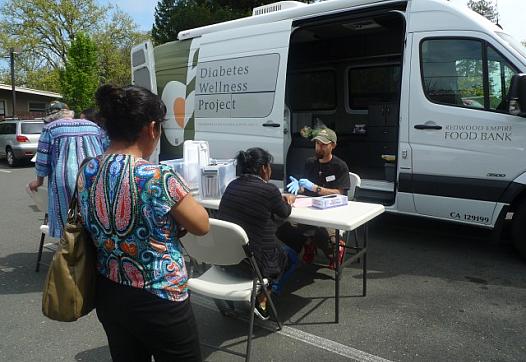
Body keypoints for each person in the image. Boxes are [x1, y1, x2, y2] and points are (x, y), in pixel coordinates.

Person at [77, 84, 209, 362]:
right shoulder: (158, 176)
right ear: (151, 128)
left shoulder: (87, 169)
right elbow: (201, 225)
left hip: (108, 289)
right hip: (159, 294)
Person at [218, 147, 297, 320]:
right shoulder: (269, 190)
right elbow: (284, 213)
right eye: (269, 167)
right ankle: (263, 297)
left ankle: (260, 292)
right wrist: (289, 200)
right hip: (255, 263)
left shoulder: (232, 185)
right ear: (263, 168)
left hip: (228, 259)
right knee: (291, 257)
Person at [28, 101, 105, 238]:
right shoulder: (93, 126)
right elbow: (105, 148)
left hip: (65, 181)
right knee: (94, 217)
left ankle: (72, 253)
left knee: (67, 223)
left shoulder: (50, 129)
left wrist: (38, 181)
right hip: (95, 177)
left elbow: (42, 160)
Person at [277, 127, 350, 269]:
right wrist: (298, 188)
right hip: (309, 208)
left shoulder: (340, 166)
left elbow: (340, 193)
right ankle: (306, 244)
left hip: (331, 211)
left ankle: (335, 249)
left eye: (323, 144)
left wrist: (316, 188)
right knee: (282, 227)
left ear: (333, 145)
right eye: (317, 144)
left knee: (322, 232)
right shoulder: (310, 163)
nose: (319, 147)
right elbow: (305, 188)